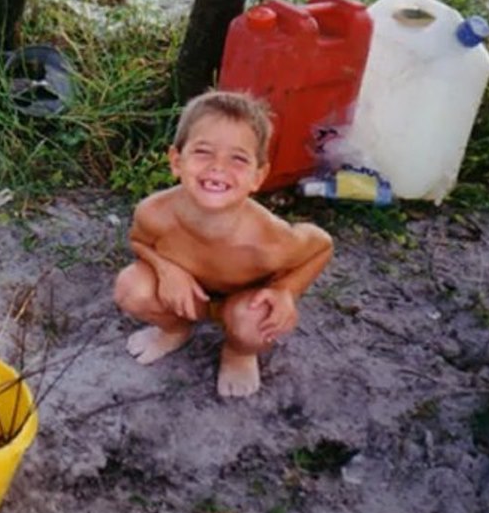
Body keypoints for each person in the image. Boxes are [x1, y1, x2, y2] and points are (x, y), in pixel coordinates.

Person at [113, 90, 333, 398]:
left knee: (255, 321)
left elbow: (321, 246)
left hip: (243, 304)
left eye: (238, 158)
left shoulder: (270, 240)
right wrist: (166, 270)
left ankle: (239, 352)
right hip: (187, 299)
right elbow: (139, 242)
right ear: (177, 161)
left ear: (259, 176)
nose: (218, 167)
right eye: (203, 152)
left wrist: (287, 291)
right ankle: (176, 330)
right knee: (130, 287)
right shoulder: (154, 212)